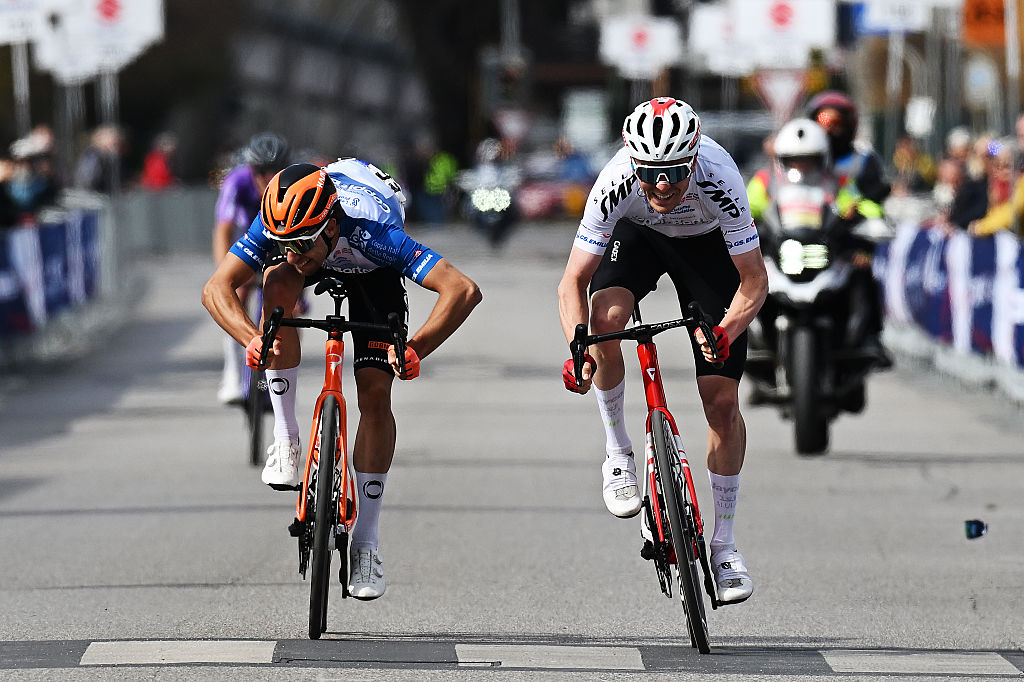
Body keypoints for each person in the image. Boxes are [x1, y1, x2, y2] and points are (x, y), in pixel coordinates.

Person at [202, 159, 481, 600]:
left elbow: (462, 289)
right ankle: (287, 436)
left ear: (331, 225)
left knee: (374, 396)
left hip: (372, 272)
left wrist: (417, 349)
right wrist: (252, 339)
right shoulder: (284, 226)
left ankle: (367, 543)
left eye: (303, 244)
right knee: (276, 284)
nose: (295, 253)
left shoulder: (376, 234)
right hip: (318, 233)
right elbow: (215, 288)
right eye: (284, 243)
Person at [556, 97, 767, 605]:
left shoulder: (721, 176)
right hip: (640, 236)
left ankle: (724, 545)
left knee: (720, 402)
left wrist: (727, 329)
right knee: (604, 321)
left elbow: (755, 281)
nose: (664, 185)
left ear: (693, 159)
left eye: (674, 172)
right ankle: (618, 453)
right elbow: (572, 282)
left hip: (708, 245)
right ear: (634, 163)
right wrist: (579, 346)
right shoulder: (616, 181)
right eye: (651, 173)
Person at [807, 91, 892, 367]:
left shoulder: (863, 161)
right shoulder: (798, 156)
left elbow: (875, 201)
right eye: (823, 124)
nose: (829, 131)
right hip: (804, 237)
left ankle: (870, 338)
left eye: (836, 125)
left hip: (848, 241)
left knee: (862, 275)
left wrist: (858, 214)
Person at [212, 132, 291, 404]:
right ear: (251, 169)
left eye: (275, 171)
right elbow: (223, 229)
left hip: (282, 246)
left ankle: (285, 377)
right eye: (261, 172)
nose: (268, 178)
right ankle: (233, 375)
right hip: (248, 243)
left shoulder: (293, 182)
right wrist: (226, 275)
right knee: (238, 294)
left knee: (289, 306)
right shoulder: (236, 181)